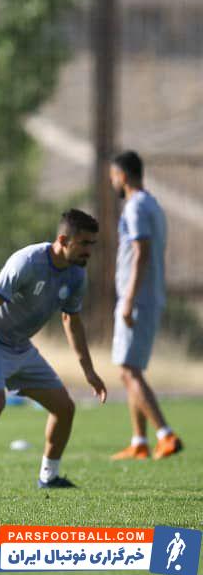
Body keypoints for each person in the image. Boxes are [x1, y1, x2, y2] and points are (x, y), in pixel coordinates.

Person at [0, 210, 108, 490]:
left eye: (92, 245)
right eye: (84, 243)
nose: (89, 251)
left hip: (21, 347)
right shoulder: (28, 262)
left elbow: (71, 320)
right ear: (63, 239)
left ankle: (49, 476)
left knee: (64, 408)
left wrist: (89, 372)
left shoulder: (76, 275)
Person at [108, 151, 182, 460]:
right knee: (129, 370)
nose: (112, 181)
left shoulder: (136, 206)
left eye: (112, 175)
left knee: (130, 370)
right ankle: (139, 441)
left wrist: (127, 299)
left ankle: (165, 434)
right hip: (146, 296)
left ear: (122, 175)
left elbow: (142, 252)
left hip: (137, 299)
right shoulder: (152, 203)